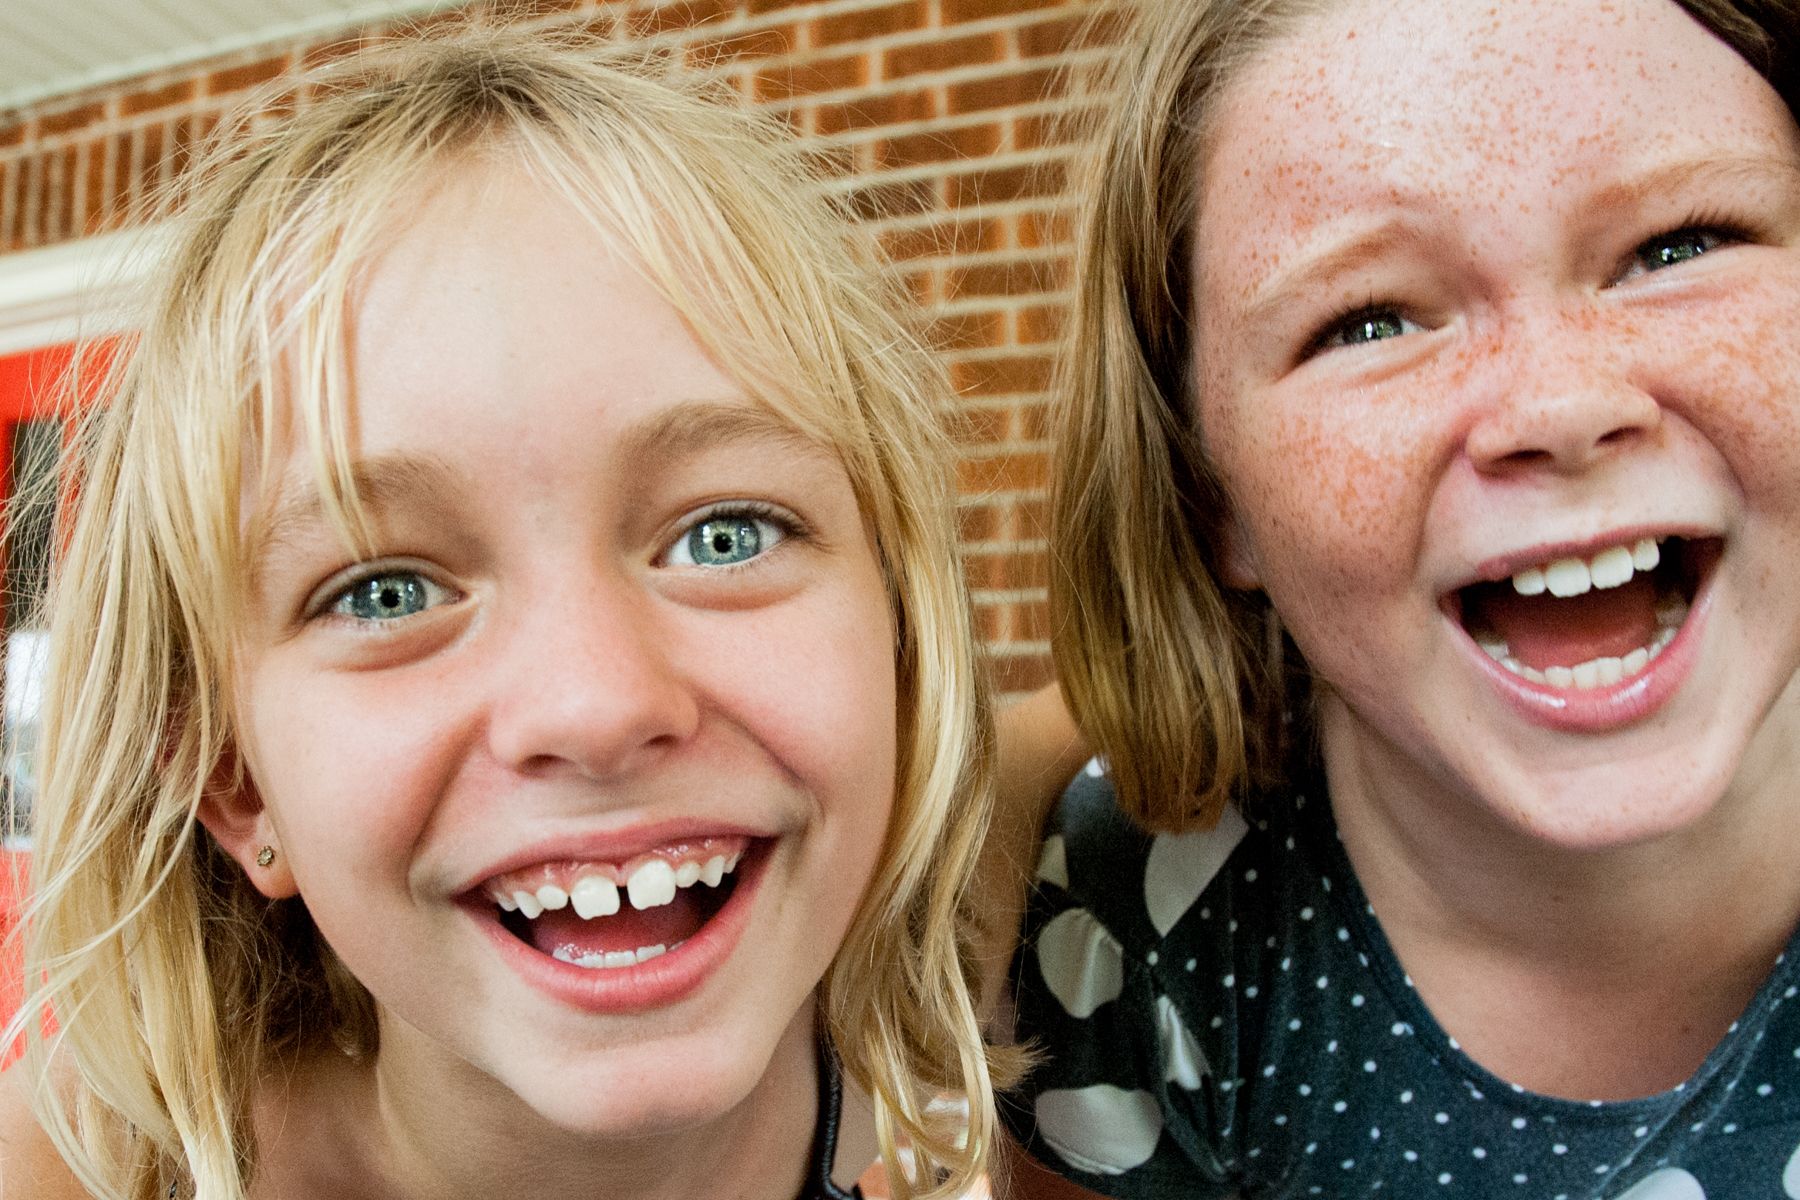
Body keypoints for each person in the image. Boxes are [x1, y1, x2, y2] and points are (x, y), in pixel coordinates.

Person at [0, 26, 1004, 1200]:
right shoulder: (72, 1171)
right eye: (387, 592)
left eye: (724, 535)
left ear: (901, 643)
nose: (596, 704)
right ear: (236, 782)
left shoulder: (992, 1111)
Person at [993, 0, 1800, 1195]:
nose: (1559, 406)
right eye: (1366, 321)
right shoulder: (1136, 933)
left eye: (1680, 245)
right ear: (1210, 493)